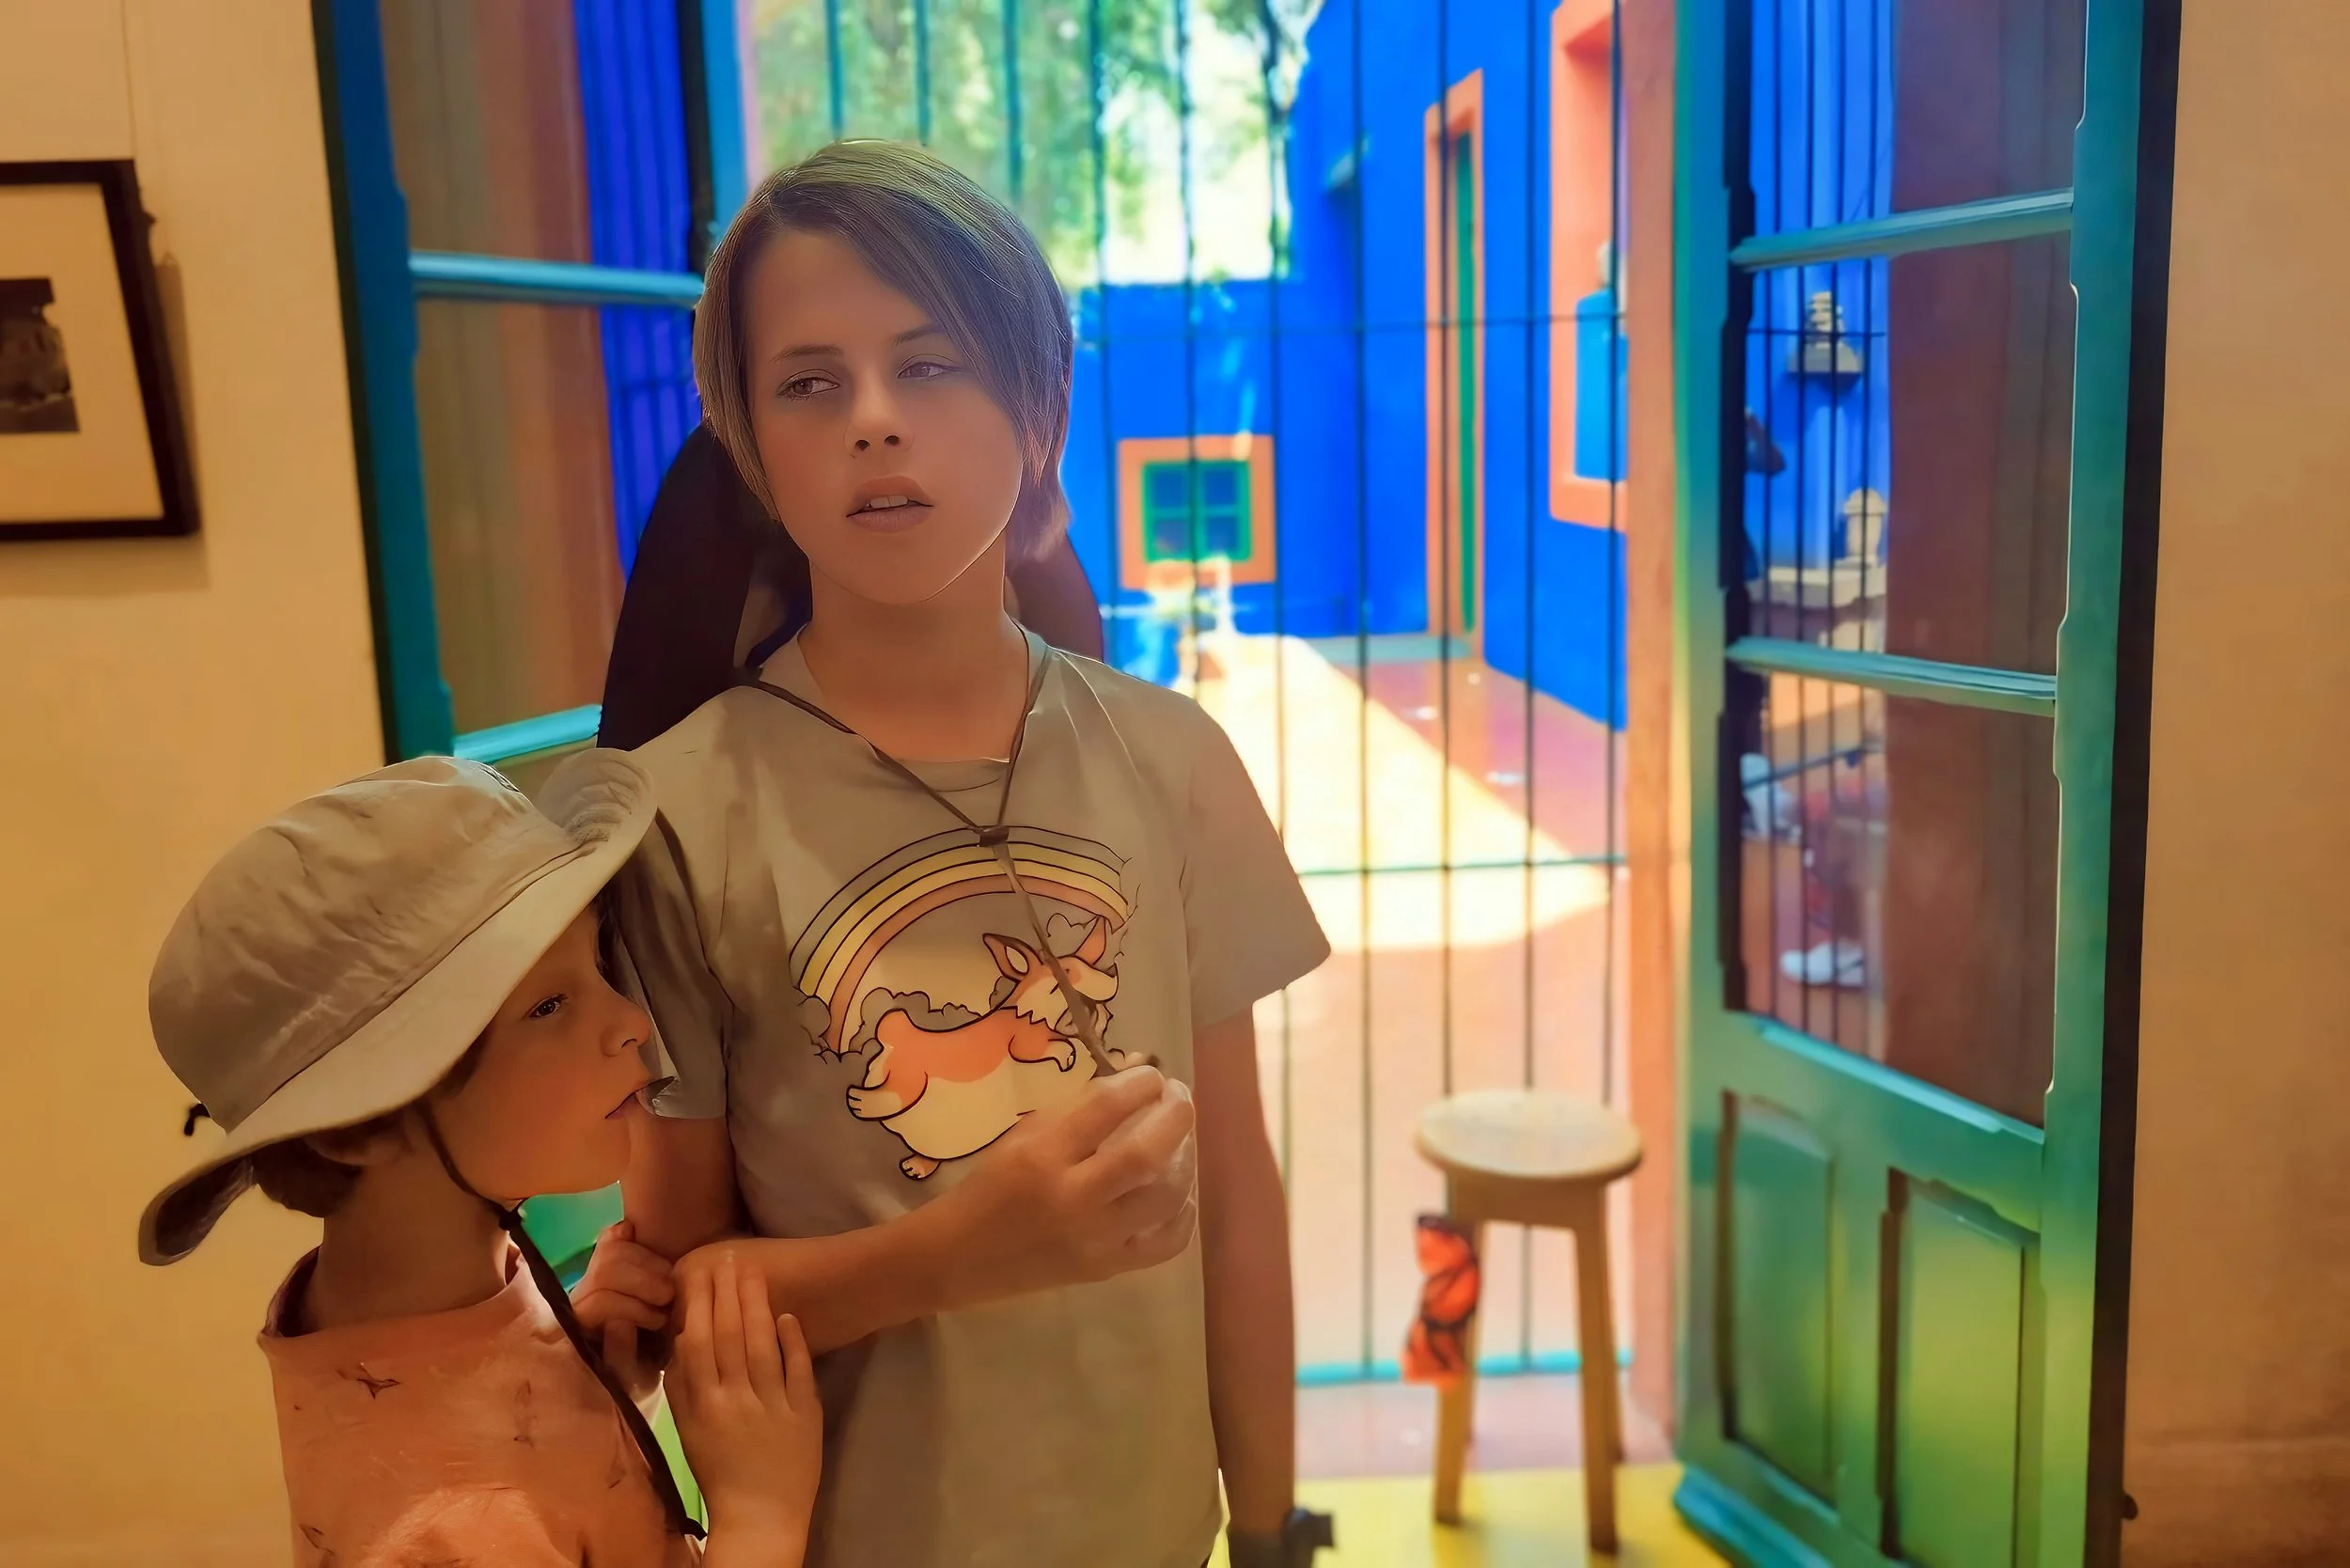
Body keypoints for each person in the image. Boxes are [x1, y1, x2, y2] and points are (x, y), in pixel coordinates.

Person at [583, 139, 1334, 1568]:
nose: (874, 420)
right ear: (749, 439)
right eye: (810, 383)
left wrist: (1272, 1525)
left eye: (930, 365)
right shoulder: (678, 818)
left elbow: (1234, 1199)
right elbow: (683, 1303)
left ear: (1039, 405)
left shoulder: (1173, 760)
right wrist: (964, 1253)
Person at [136, 751, 822, 1566]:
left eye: (598, 968)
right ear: (355, 1130)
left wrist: (584, 1382)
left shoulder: (409, 1300)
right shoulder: (454, 1526)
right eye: (550, 1005)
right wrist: (759, 1516)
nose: (632, 1023)